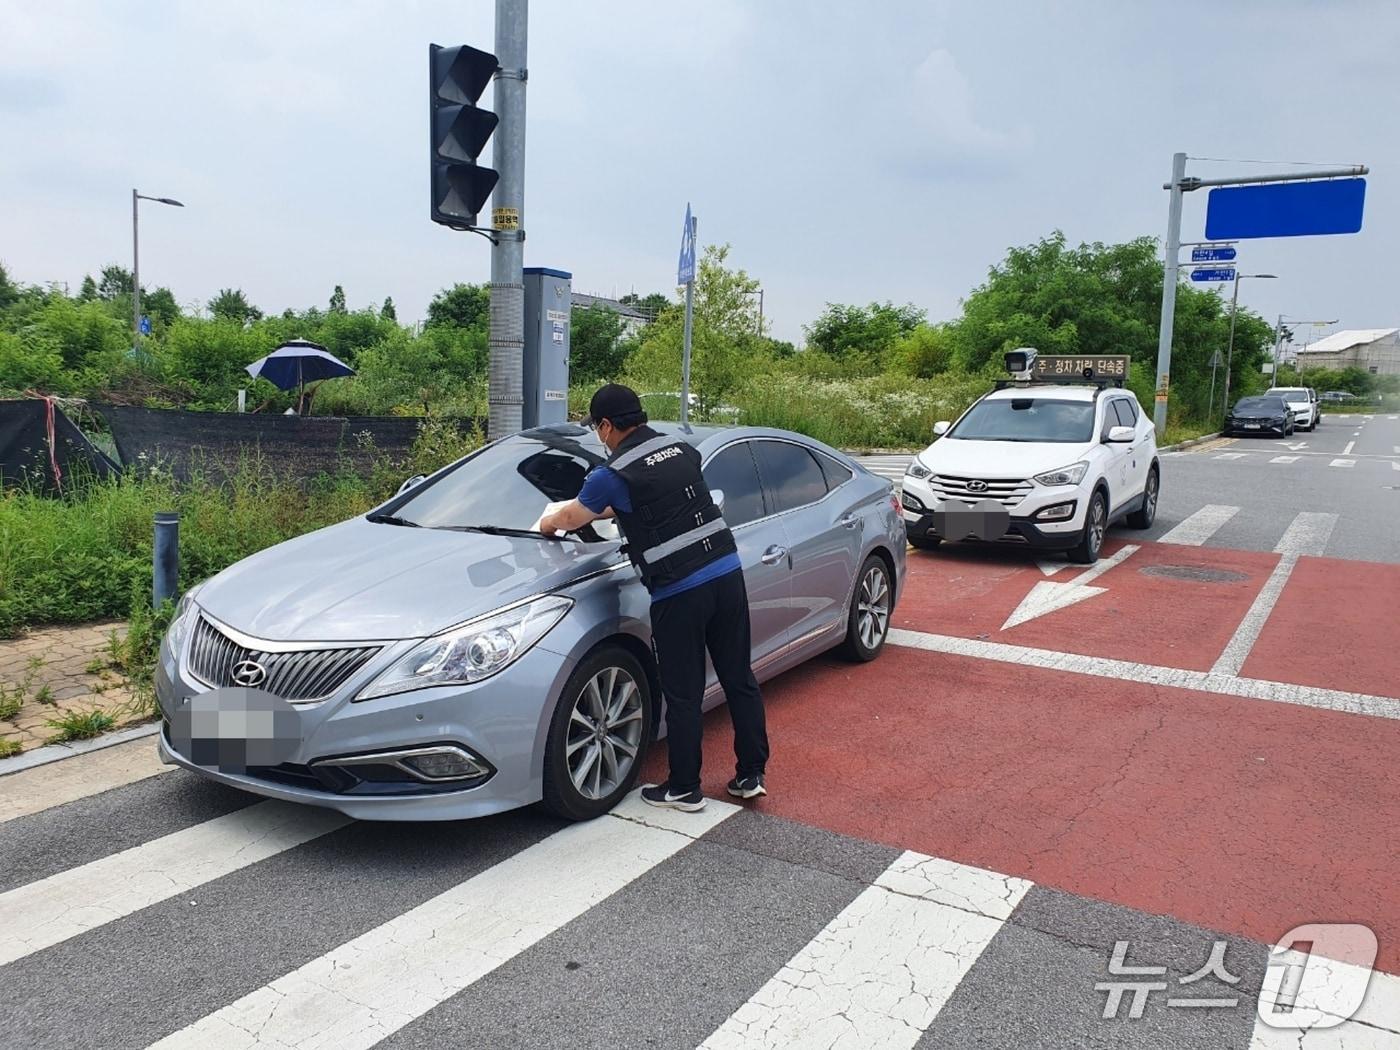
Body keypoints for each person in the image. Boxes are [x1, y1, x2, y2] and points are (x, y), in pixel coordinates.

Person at [537, 383, 769, 812]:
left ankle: (684, 788)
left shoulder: (612, 473)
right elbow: (653, 499)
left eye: (597, 428)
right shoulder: (681, 450)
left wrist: (549, 525)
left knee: (682, 693)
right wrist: (609, 507)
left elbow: (574, 516)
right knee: (738, 676)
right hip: (726, 574)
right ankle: (751, 773)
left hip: (681, 591)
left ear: (607, 425)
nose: (598, 437)